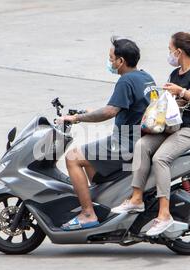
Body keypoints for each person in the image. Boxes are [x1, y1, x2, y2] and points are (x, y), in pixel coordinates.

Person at [111, 32, 190, 236]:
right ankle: (137, 199)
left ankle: (164, 214)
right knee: (142, 145)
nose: (169, 54)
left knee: (161, 158)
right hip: (175, 127)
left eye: (170, 50)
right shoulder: (174, 75)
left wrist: (182, 92)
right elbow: (173, 106)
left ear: (179, 51)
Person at [57, 37, 156, 231]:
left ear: (121, 61)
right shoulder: (145, 77)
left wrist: (77, 118)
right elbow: (130, 108)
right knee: (91, 161)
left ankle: (87, 214)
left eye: (111, 58)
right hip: (139, 138)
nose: (109, 62)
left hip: (126, 142)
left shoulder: (125, 81)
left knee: (73, 157)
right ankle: (105, 205)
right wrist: (88, 112)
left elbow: (110, 111)